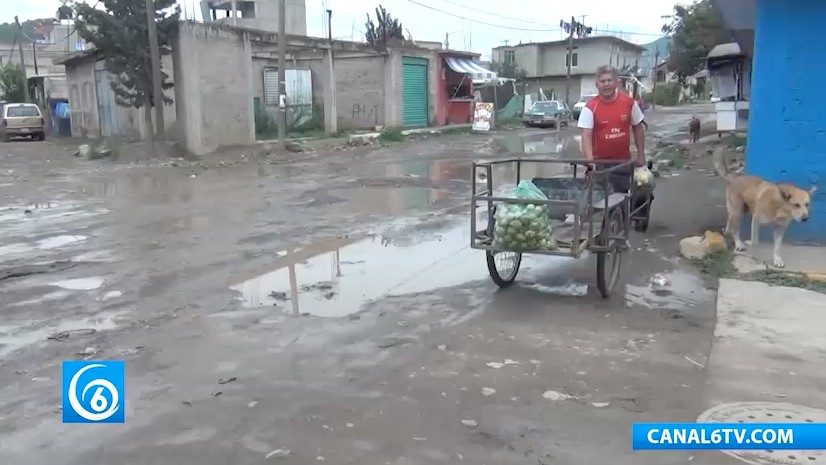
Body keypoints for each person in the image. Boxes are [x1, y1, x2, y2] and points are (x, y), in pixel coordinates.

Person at [577, 65, 647, 193]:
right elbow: (586, 135)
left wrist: (641, 155)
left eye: (610, 80)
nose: (606, 84)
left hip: (623, 163)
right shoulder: (590, 107)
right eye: (603, 81)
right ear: (597, 84)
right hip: (599, 164)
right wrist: (590, 161)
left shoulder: (629, 103)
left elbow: (638, 128)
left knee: (622, 199)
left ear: (616, 82)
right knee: (599, 201)